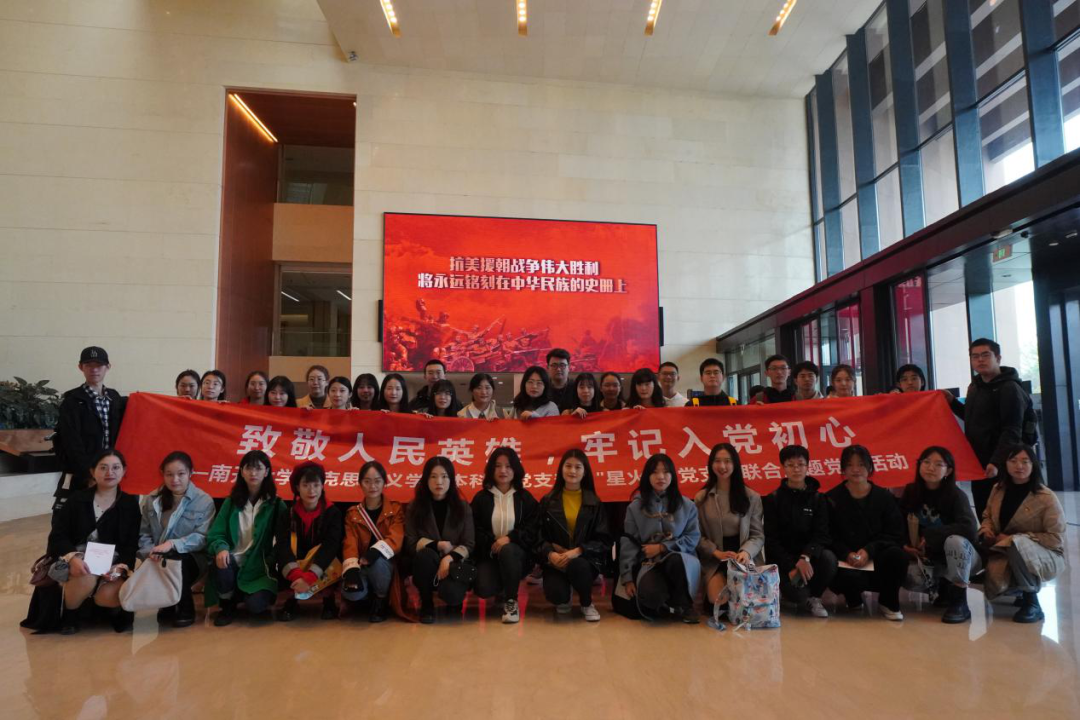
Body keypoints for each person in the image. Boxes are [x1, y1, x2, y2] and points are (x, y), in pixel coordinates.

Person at [33, 449, 141, 635]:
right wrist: (73, 558)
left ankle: (111, 612)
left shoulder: (130, 504)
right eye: (103, 468)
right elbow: (58, 536)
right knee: (85, 575)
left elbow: (131, 544)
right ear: (92, 471)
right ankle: (70, 616)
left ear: (124, 471)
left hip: (114, 562)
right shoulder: (76, 500)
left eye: (116, 467)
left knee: (108, 596)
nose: (110, 472)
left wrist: (120, 567)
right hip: (79, 559)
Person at [944, 338, 1034, 519]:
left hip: (1003, 463)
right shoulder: (975, 386)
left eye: (985, 355)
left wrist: (996, 462)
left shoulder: (1009, 388)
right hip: (980, 462)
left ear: (998, 358)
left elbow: (1012, 430)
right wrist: (952, 402)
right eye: (975, 356)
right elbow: (972, 418)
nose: (980, 360)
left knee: (1003, 513)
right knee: (984, 511)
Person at [978, 444, 1065, 623]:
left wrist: (1014, 539)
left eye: (1025, 461)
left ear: (1033, 465)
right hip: (1003, 550)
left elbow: (1056, 538)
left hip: (1045, 553)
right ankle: (1016, 588)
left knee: (1017, 543)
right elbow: (987, 516)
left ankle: (1031, 601)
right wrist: (986, 530)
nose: (1019, 466)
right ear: (1006, 464)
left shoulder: (1046, 497)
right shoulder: (998, 489)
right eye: (1013, 461)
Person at [206, 450, 287, 626]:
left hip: (259, 568)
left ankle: (245, 594)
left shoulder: (276, 504)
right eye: (248, 468)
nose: (253, 473)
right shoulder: (230, 502)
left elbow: (283, 541)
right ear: (242, 472)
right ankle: (227, 604)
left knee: (256, 607)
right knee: (221, 560)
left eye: (258, 468)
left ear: (266, 472)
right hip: (233, 561)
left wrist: (270, 559)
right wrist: (221, 548)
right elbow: (216, 533)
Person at [899, 446, 980, 624]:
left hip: (964, 557)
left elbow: (969, 528)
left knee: (955, 541)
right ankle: (942, 588)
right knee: (910, 578)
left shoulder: (956, 495)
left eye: (938, 464)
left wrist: (930, 536)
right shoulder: (911, 491)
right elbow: (899, 523)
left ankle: (959, 601)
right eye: (926, 462)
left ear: (948, 471)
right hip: (928, 558)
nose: (931, 468)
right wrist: (905, 545)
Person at [827, 445, 908, 621]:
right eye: (850, 465)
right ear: (843, 469)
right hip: (846, 559)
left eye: (861, 464)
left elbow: (895, 533)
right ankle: (853, 598)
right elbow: (828, 535)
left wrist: (869, 550)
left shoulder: (884, 497)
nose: (856, 469)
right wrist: (846, 553)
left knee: (898, 556)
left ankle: (888, 601)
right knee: (836, 568)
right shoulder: (832, 498)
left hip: (877, 555)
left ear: (870, 467)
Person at [137, 451, 216, 628]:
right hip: (157, 557)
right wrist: (149, 552)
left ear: (190, 473)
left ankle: (185, 608)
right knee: (166, 559)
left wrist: (172, 544)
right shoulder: (152, 499)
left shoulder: (204, 501)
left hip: (193, 558)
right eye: (169, 474)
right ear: (162, 474)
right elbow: (144, 533)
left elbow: (202, 537)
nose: (175, 479)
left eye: (181, 474)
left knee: (176, 559)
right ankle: (167, 603)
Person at [619, 454, 701, 622]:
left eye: (666, 472)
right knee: (652, 597)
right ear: (647, 476)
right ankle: (665, 601)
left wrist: (663, 547)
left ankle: (684, 605)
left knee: (676, 561)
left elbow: (693, 537)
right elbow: (628, 543)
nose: (661, 477)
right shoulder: (635, 507)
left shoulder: (687, 505)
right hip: (649, 563)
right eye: (655, 472)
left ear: (673, 475)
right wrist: (627, 578)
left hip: (680, 561)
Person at [535, 449, 611, 621]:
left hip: (584, 560)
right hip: (557, 561)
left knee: (578, 566)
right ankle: (565, 592)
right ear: (561, 469)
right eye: (568, 466)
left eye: (578, 467)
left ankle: (586, 602)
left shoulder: (594, 502)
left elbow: (604, 540)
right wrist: (550, 554)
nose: (572, 471)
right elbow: (538, 536)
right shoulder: (548, 501)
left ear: (585, 472)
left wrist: (577, 551)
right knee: (557, 595)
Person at [763, 445, 836, 618]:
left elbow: (822, 535)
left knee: (829, 558)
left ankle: (815, 597)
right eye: (790, 465)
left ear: (808, 466)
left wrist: (805, 557)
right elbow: (771, 539)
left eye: (801, 464)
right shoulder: (773, 499)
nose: (796, 469)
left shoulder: (818, 498)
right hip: (785, 561)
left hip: (809, 558)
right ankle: (790, 591)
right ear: (783, 468)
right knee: (798, 596)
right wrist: (790, 566)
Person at [694, 443, 765, 617]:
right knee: (717, 601)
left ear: (735, 464)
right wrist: (715, 552)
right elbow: (697, 536)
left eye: (727, 461)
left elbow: (757, 535)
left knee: (745, 600)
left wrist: (746, 552)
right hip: (716, 557)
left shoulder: (751, 497)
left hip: (743, 557)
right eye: (717, 461)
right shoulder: (701, 498)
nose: (722, 466)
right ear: (711, 465)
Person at [470, 448, 539, 623]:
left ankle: (511, 600)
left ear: (515, 469)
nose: (503, 470)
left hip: (517, 555)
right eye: (498, 466)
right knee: (484, 588)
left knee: (508, 550)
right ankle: (503, 586)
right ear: (491, 469)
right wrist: (493, 543)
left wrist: (510, 538)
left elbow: (533, 527)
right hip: (489, 554)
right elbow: (474, 528)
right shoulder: (481, 498)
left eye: (508, 466)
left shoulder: (524, 498)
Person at [404, 456, 475, 624]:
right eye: (433, 476)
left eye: (444, 476)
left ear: (451, 479)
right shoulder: (415, 507)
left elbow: (469, 543)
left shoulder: (462, 507)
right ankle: (426, 603)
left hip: (454, 562)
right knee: (424, 556)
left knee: (452, 595)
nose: (439, 482)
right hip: (427, 563)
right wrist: (438, 545)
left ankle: (454, 600)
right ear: (425, 479)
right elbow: (410, 542)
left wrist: (449, 558)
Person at [342, 461, 411, 622]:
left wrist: (374, 553)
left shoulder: (395, 509)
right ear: (360, 484)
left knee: (378, 562)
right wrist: (351, 568)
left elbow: (396, 538)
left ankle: (381, 600)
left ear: (384, 482)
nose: (372, 486)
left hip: (385, 566)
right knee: (352, 593)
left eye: (377, 481)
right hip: (362, 564)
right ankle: (367, 598)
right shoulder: (352, 514)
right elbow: (350, 542)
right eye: (367, 481)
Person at [53, 346, 127, 497]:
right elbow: (71, 442)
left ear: (108, 367)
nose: (94, 370)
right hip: (84, 475)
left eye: (99, 365)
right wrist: (90, 474)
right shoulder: (72, 401)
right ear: (81, 367)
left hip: (112, 473)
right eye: (88, 365)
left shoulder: (115, 398)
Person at [275, 462, 343, 621]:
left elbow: (331, 546)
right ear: (297, 487)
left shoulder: (333, 513)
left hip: (322, 563)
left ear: (322, 486)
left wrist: (310, 577)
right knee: (284, 554)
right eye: (305, 485)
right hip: (297, 565)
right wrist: (297, 576)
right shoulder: (288, 514)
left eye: (316, 485)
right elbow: (282, 546)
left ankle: (328, 599)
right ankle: (292, 599)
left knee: (332, 554)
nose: (311, 490)